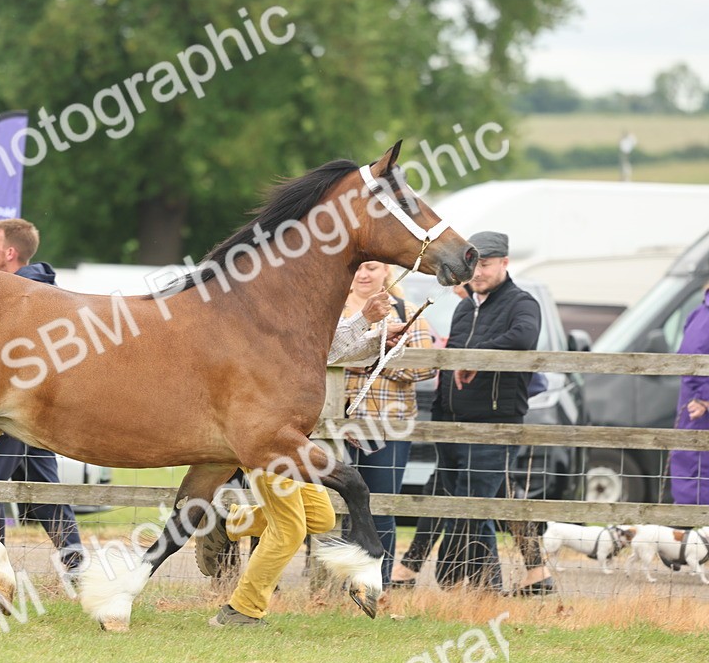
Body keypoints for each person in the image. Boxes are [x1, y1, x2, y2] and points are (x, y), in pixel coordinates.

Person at [195, 289, 405, 625]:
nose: (347, 290)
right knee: (289, 529)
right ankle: (242, 610)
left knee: (320, 518)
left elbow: (330, 352)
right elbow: (311, 347)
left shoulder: (303, 312)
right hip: (265, 437)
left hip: (292, 441)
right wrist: (365, 319)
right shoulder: (277, 312)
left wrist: (381, 341)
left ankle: (228, 520)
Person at [390, 231, 552, 595]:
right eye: (474, 264)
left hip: (495, 421)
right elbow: (451, 355)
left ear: (505, 264)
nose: (478, 272)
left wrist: (477, 359)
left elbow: (524, 338)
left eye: (487, 264)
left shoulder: (522, 303)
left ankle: (471, 581)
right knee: (463, 495)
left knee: (472, 501)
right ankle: (527, 576)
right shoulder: (466, 307)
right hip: (452, 420)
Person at [0, 219, 85, 572]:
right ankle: (76, 563)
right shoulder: (36, 291)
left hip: (13, 405)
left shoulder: (21, 296)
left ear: (9, 252)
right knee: (45, 489)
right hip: (39, 406)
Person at [339, 261, 436, 587]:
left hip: (388, 426)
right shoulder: (336, 310)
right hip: (338, 424)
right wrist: (366, 352)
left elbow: (426, 367)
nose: (363, 274)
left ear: (385, 272)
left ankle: (376, 584)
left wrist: (380, 361)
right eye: (358, 268)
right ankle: (340, 584)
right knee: (338, 507)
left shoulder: (406, 311)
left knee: (380, 506)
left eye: (371, 267)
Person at [670, 282, 709, 505]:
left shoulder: (700, 313)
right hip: (700, 412)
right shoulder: (704, 316)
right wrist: (704, 397)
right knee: (697, 479)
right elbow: (692, 358)